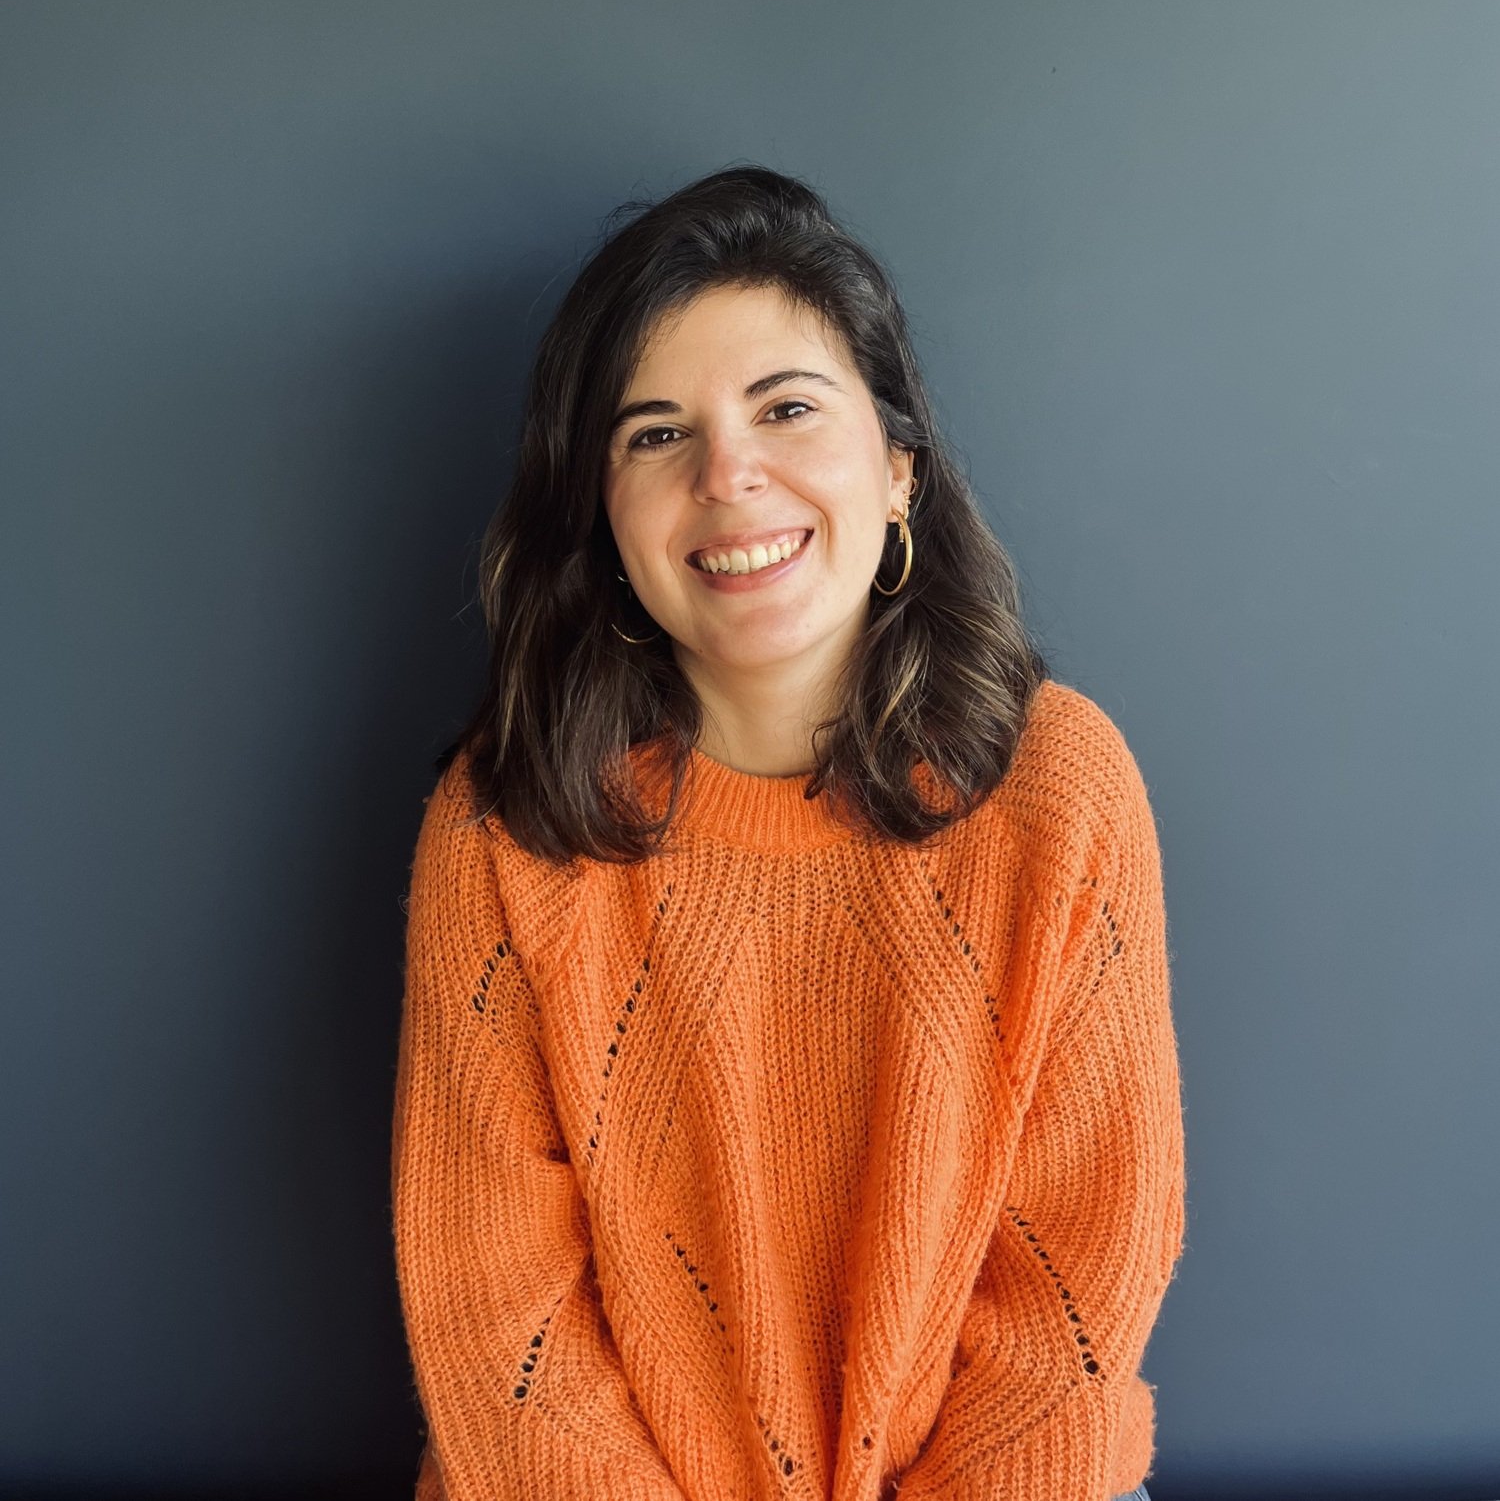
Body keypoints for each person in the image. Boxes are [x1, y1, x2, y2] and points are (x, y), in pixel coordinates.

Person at [389, 165, 1186, 1501]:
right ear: (604, 517)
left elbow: (1072, 1309)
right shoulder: (505, 826)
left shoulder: (1062, 791)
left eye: (786, 407)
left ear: (897, 471)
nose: (727, 476)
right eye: (655, 434)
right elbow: (498, 1322)